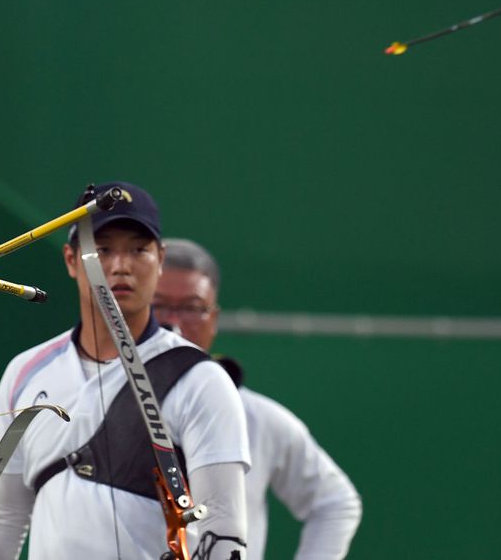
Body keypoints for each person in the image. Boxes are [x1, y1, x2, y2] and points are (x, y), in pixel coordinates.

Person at [0, 182, 250, 559]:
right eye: (101, 250)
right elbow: (2, 521)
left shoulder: (200, 379)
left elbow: (223, 530)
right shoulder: (27, 372)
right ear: (72, 260)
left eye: (139, 250)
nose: (121, 266)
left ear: (160, 259)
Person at [154, 238, 362, 560]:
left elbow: (334, 502)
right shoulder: (92, 401)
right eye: (158, 306)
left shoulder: (257, 417)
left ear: (214, 317)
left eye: (192, 308)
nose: (174, 324)